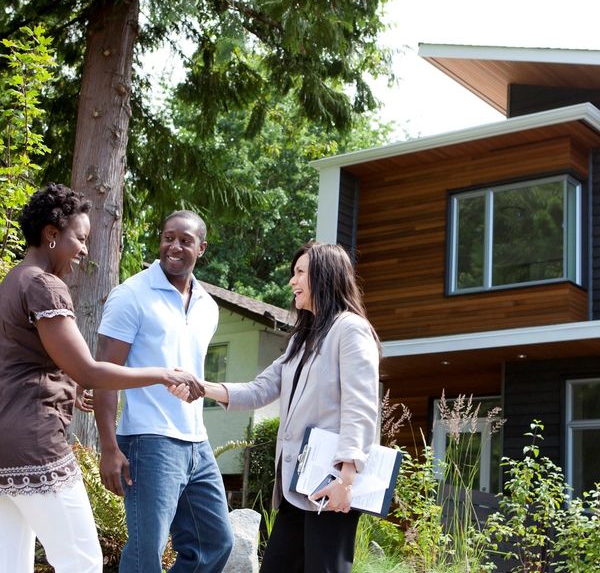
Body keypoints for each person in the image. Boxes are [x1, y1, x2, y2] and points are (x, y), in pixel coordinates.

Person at [0, 183, 204, 573]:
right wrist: (163, 373)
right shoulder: (45, 285)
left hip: (4, 445)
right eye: (80, 238)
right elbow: (89, 370)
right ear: (51, 234)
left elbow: (27, 361)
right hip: (35, 443)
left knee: (10, 563)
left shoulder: (12, 281)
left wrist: (67, 381)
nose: (84, 249)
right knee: (84, 562)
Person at [195, 242, 380, 573]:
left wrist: (346, 479)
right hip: (298, 485)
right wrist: (203, 388)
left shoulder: (350, 330)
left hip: (331, 485)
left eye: (299, 273)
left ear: (324, 276)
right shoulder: (302, 340)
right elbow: (261, 388)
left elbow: (361, 405)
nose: (292, 282)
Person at [93, 210, 234, 573]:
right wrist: (108, 447)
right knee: (146, 553)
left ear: (201, 248)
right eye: (168, 237)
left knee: (215, 542)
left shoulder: (209, 306)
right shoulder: (132, 295)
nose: (174, 246)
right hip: (147, 440)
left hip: (196, 441)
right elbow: (104, 374)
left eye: (185, 240)